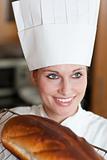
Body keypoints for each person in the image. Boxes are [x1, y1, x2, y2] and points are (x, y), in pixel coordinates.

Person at [0, 0, 107, 159]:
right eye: (53, 76)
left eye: (76, 74)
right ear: (34, 77)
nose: (66, 89)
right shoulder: (8, 121)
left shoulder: (103, 133)